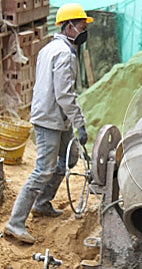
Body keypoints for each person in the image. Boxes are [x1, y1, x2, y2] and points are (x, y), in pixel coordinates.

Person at [4, 3, 93, 244]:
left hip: (57, 117)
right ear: (68, 27)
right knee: (43, 169)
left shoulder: (50, 48)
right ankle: (15, 223)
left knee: (69, 159)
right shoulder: (63, 53)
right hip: (50, 120)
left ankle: (42, 203)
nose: (84, 31)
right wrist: (80, 123)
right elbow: (64, 93)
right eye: (82, 26)